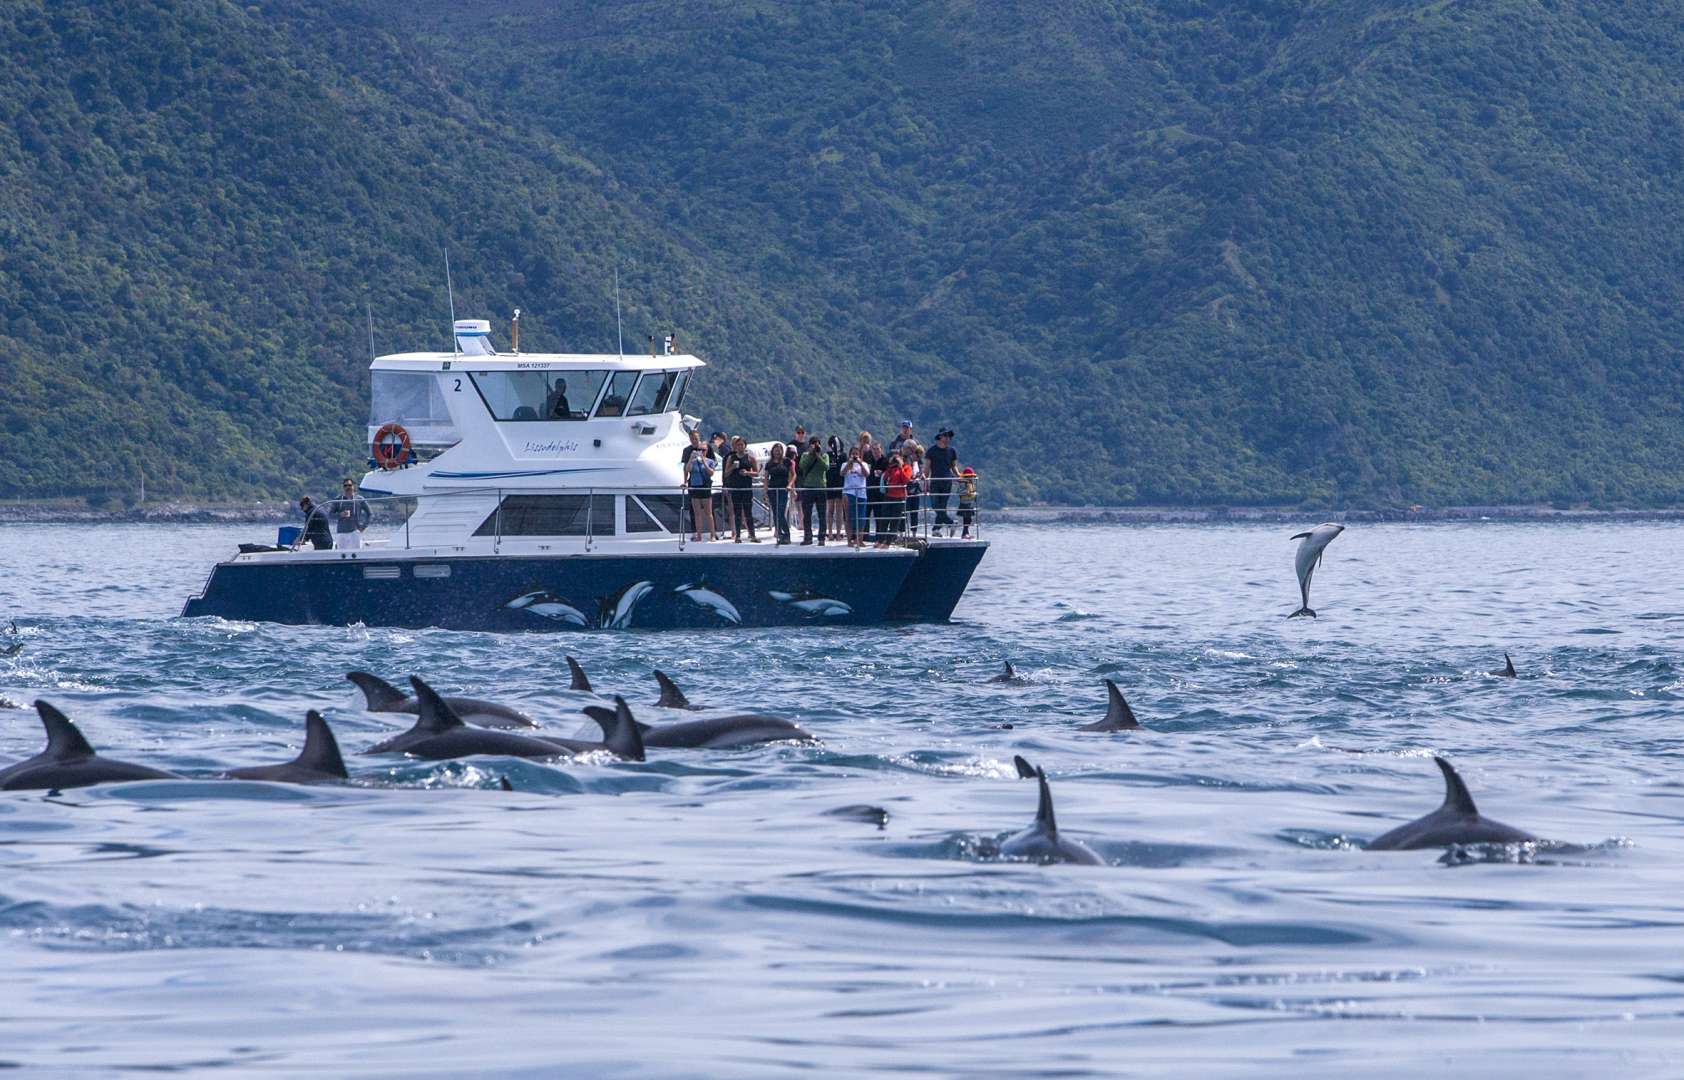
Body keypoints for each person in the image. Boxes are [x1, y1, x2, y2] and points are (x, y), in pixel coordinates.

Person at [681, 428, 717, 541]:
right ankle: (697, 533)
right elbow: (686, 469)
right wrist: (685, 480)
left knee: (709, 512)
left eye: (696, 438)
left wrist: (703, 459)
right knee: (695, 511)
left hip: (705, 485)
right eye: (692, 439)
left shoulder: (707, 449)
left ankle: (712, 534)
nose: (694, 441)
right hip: (694, 484)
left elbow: (712, 466)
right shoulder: (687, 451)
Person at [724, 436, 759, 543]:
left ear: (745, 446)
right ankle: (738, 536)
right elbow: (726, 473)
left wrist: (747, 473)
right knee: (737, 512)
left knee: (748, 512)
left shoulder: (750, 458)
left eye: (741, 445)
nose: (740, 447)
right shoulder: (731, 458)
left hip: (746, 487)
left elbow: (756, 473)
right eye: (738, 445)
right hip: (736, 487)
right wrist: (732, 467)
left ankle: (752, 535)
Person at [797, 435, 829, 545]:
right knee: (807, 514)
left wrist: (818, 456)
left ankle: (821, 538)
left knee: (822, 514)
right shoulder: (805, 455)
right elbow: (802, 466)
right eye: (813, 444)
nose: (815, 446)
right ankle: (808, 537)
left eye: (817, 444)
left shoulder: (824, 455)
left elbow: (826, 467)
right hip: (808, 487)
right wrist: (811, 454)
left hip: (820, 487)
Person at [925, 428, 959, 530]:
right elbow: (927, 468)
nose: (947, 438)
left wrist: (958, 476)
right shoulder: (931, 451)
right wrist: (924, 479)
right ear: (940, 436)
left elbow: (954, 466)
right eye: (945, 435)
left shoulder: (952, 451)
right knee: (935, 505)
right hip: (935, 481)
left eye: (949, 436)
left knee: (942, 507)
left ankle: (936, 529)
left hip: (947, 482)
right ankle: (951, 523)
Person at [764, 443, 794, 544]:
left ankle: (787, 534)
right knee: (776, 513)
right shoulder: (769, 463)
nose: (777, 452)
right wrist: (765, 493)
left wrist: (790, 485)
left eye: (779, 450)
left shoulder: (787, 461)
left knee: (781, 512)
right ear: (772, 451)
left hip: (783, 490)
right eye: (775, 450)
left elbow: (794, 475)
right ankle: (780, 535)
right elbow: (766, 479)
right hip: (772, 490)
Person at [330, 479, 371, 550]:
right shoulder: (338, 499)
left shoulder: (359, 499)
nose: (347, 487)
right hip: (341, 532)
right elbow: (330, 515)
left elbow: (369, 513)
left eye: (349, 485)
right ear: (343, 487)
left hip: (355, 532)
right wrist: (340, 514)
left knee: (357, 553)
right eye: (345, 485)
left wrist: (364, 526)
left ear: (353, 486)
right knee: (341, 554)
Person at [881, 452, 912, 545]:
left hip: (899, 497)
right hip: (889, 496)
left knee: (895, 520)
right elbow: (885, 478)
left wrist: (900, 467)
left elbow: (906, 480)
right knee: (884, 519)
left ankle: (888, 542)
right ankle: (881, 540)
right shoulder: (890, 468)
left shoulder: (907, 468)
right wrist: (890, 467)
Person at [842, 446, 870, 548]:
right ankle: (849, 540)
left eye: (856, 454)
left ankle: (860, 540)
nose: (854, 456)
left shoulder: (864, 464)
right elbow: (842, 473)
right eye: (853, 454)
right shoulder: (845, 464)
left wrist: (860, 463)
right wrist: (849, 464)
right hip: (849, 492)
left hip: (861, 493)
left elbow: (867, 474)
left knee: (861, 518)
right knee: (849, 516)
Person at [825, 436, 846, 541]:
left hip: (840, 484)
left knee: (839, 510)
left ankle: (838, 533)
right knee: (830, 509)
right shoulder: (827, 456)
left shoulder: (843, 456)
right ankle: (829, 532)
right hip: (829, 484)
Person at [958, 466, 978, 539]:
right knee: (966, 519)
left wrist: (974, 495)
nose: (970, 478)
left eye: (971, 476)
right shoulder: (962, 484)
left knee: (969, 519)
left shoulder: (971, 484)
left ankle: (966, 533)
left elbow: (973, 492)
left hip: (969, 504)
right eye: (968, 476)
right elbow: (959, 492)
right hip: (964, 504)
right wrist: (967, 492)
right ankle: (964, 534)